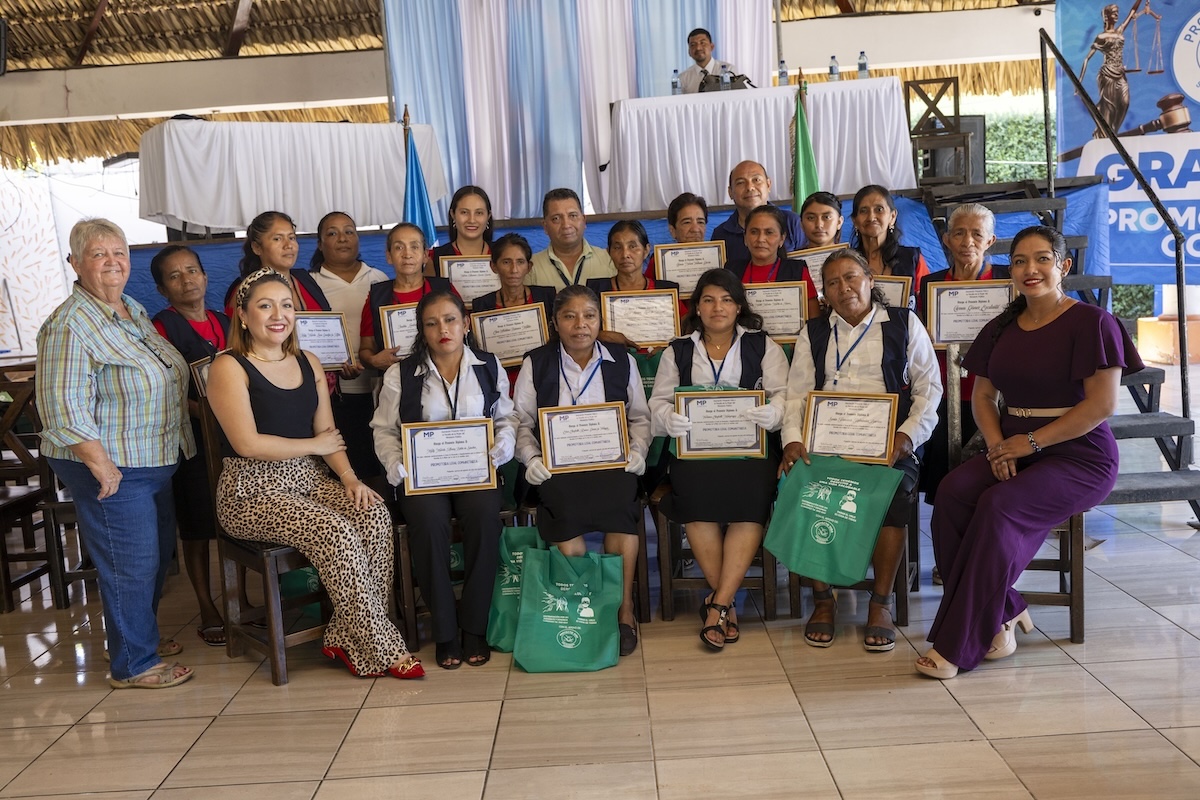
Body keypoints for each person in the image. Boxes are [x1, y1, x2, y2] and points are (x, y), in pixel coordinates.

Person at [916, 226, 1142, 680]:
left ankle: (961, 642)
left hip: (1080, 456)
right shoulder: (1002, 325)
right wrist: (1000, 445)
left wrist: (1031, 442)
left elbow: (1101, 406)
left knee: (1000, 505)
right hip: (1014, 446)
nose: (1030, 269)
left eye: (1042, 259)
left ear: (1064, 265)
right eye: (1020, 261)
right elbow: (981, 396)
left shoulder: (1093, 322)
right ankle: (1006, 610)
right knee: (952, 493)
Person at [208, 268, 423, 679]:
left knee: (373, 514)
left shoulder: (307, 361)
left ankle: (347, 637)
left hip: (308, 480)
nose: (278, 314)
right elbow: (247, 444)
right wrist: (315, 448)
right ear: (243, 314)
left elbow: (328, 433)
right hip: (250, 490)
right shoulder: (229, 366)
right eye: (265, 305)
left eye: (286, 305)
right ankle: (383, 646)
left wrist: (349, 479)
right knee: (335, 529)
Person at [37, 219, 195, 689]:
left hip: (151, 458)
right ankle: (134, 663)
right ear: (75, 264)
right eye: (98, 254)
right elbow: (61, 405)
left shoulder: (131, 309)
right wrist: (99, 462)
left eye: (119, 253)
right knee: (131, 563)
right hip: (113, 464)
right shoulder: (69, 324)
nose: (112, 262)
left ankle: (134, 636)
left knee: (153, 556)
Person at [782, 248, 942, 651]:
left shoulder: (905, 324)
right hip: (826, 444)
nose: (844, 288)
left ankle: (881, 602)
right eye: (832, 282)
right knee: (804, 489)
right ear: (824, 292)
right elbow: (796, 395)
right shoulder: (814, 332)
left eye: (851, 277)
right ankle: (822, 600)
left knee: (892, 495)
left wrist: (906, 437)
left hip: (887, 445)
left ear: (871, 279)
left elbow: (929, 390)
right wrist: (793, 440)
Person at [372, 290, 516, 669]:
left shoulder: (487, 365)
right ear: (422, 329)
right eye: (432, 323)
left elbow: (506, 417)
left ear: (465, 324)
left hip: (476, 473)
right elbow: (384, 429)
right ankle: (445, 631)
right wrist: (394, 463)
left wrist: (504, 444)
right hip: (422, 479)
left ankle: (475, 627)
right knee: (429, 523)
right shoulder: (401, 373)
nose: (443, 330)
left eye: (450, 320)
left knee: (485, 519)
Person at [649, 269, 788, 650]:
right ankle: (725, 604)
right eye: (708, 300)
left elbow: (784, 395)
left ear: (739, 305)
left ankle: (719, 603)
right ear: (697, 307)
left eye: (726, 299)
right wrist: (667, 419)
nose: (717, 307)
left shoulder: (764, 346)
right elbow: (657, 402)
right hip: (695, 452)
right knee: (695, 503)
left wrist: (772, 413)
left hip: (750, 451)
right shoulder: (676, 350)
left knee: (751, 503)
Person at [513, 286, 652, 656]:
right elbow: (521, 422)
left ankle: (624, 609)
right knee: (565, 508)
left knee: (621, 508)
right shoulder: (537, 362)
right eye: (570, 317)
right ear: (555, 322)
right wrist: (530, 458)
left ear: (599, 320)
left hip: (612, 463)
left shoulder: (620, 360)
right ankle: (585, 605)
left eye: (589, 316)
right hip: (557, 467)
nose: (580, 325)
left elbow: (640, 416)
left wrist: (638, 450)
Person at [149, 245, 232, 648]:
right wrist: (208, 414)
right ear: (162, 288)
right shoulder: (161, 327)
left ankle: (242, 601)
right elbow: (164, 390)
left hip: (235, 436)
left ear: (205, 275)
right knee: (198, 527)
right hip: (193, 439)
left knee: (237, 518)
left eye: (192, 271)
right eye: (175, 275)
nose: (187, 280)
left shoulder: (225, 320)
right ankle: (207, 606)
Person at [917, 203, 1010, 506]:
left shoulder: (1008, 281)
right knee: (947, 489)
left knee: (991, 487)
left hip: (995, 396)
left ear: (990, 240)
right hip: (946, 395)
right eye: (959, 233)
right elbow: (919, 341)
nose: (967, 242)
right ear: (947, 239)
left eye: (976, 234)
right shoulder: (931, 285)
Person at [310, 211, 389, 479]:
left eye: (349, 231)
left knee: (377, 466)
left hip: (380, 388)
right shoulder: (310, 285)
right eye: (332, 233)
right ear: (320, 244)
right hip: (334, 395)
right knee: (345, 469)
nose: (342, 239)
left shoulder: (378, 279)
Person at [359, 223, 454, 372]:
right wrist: (373, 360)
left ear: (425, 255)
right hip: (395, 379)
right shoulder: (377, 296)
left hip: (444, 374)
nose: (407, 254)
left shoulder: (445, 289)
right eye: (399, 247)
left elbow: (463, 333)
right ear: (389, 256)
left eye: (414, 247)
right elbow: (365, 348)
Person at [223, 211, 330, 316]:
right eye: (277, 239)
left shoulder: (304, 279)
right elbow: (234, 332)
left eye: (291, 238)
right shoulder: (246, 290)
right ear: (257, 248)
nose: (288, 245)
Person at [726, 205, 821, 321]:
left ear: (782, 239)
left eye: (769, 232)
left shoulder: (797, 271)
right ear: (745, 238)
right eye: (754, 232)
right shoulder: (731, 271)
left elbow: (815, 319)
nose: (761, 239)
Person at [714, 161, 806, 267]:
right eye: (740, 182)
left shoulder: (792, 222)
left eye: (756, 180)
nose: (750, 187)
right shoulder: (721, 234)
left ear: (768, 185)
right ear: (730, 192)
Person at [850, 185, 930, 302]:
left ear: (892, 217)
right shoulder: (848, 261)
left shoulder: (912, 258)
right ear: (855, 221)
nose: (871, 217)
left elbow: (926, 304)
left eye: (879, 209)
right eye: (863, 211)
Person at [527, 188, 616, 290]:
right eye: (556, 218)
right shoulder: (530, 267)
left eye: (573, 216)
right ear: (545, 226)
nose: (566, 225)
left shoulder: (610, 260)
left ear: (584, 220)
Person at [1078, 2, 1144, 139]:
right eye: (1114, 14)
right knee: (1108, 107)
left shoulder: (1119, 31)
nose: (1117, 16)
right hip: (1107, 74)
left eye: (1117, 14)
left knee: (1124, 103)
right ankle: (1106, 134)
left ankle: (1113, 132)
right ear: (1106, 17)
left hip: (1120, 74)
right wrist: (1079, 82)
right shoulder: (1101, 37)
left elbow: (1132, 12)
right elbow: (1086, 59)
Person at [471, 233, 556, 318]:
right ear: (494, 266)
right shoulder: (481, 305)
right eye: (506, 262)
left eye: (520, 262)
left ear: (529, 267)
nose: (514, 270)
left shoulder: (548, 298)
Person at [428, 185, 494, 278]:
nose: (471, 220)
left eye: (479, 213)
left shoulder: (504, 254)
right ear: (453, 214)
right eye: (464, 212)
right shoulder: (434, 259)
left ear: (488, 216)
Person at [643, 192, 709, 283]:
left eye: (700, 222)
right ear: (673, 230)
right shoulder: (658, 261)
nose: (695, 229)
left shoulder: (717, 257)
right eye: (687, 222)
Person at [679, 28, 738, 94]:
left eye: (702, 43)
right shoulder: (683, 78)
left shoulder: (728, 70)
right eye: (693, 45)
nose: (698, 48)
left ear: (712, 47)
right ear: (689, 52)